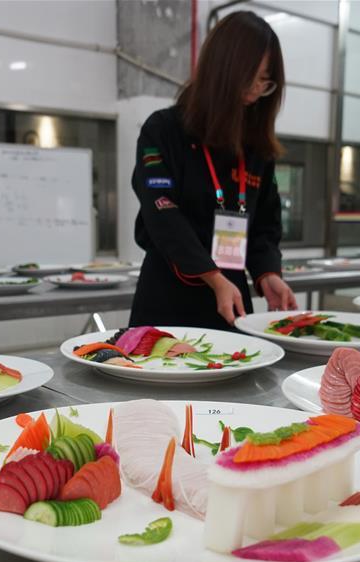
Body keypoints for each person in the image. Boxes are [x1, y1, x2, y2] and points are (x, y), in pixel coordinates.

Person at [129, 11, 297, 330]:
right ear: (223, 70)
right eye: (251, 78)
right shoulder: (163, 131)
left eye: (265, 81)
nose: (256, 90)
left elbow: (265, 226)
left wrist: (268, 274)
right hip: (167, 297)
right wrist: (212, 277)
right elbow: (161, 211)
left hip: (232, 301)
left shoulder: (256, 148)